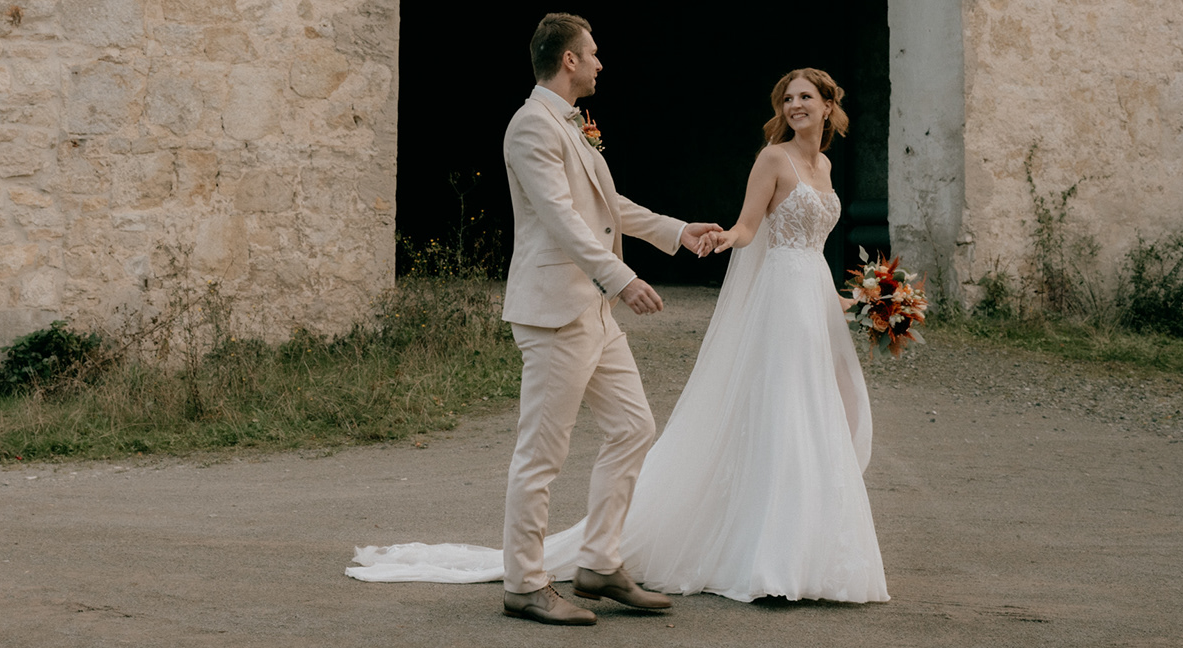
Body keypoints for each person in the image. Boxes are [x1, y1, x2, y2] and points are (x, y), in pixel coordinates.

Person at [348, 67, 888, 607]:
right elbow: (563, 219)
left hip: (767, 297)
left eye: (804, 97)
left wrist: (679, 232)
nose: (600, 63)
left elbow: (610, 208)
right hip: (558, 306)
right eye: (592, 54)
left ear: (827, 106)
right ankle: (524, 584)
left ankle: (601, 564)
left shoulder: (575, 127)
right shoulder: (533, 126)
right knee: (543, 450)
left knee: (636, 427)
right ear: (569, 60)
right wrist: (627, 275)